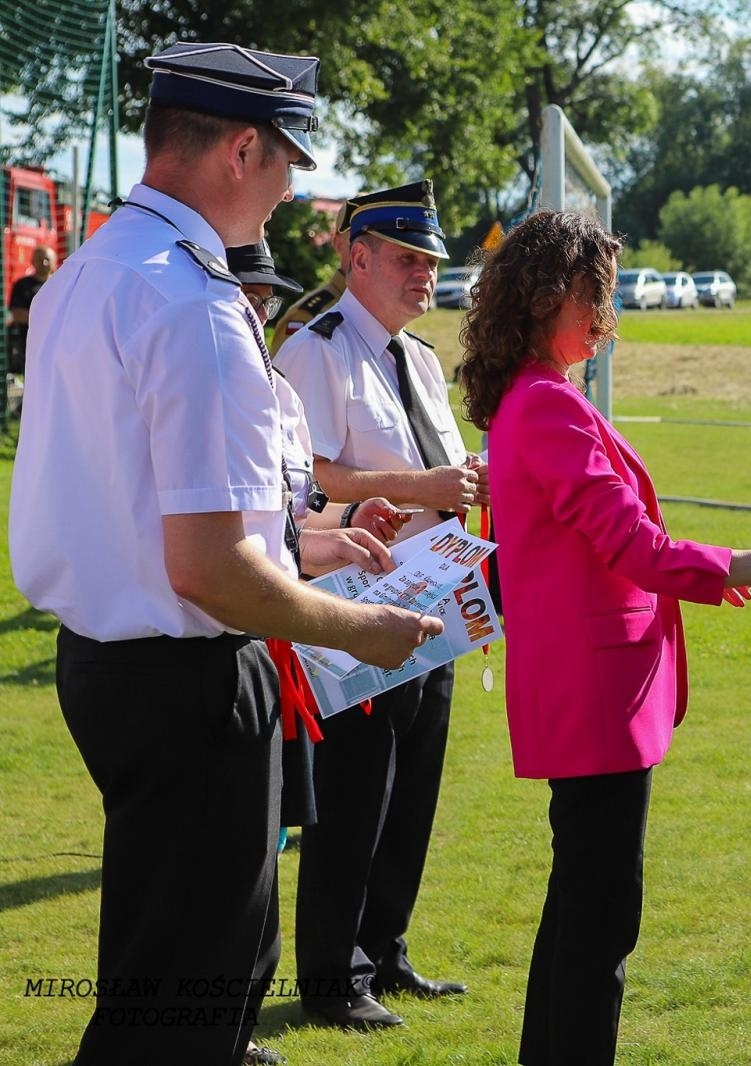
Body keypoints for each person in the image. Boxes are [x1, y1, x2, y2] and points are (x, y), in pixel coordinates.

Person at [7, 42, 441, 1066]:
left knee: (172, 982)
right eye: (289, 161)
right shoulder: (193, 305)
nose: (292, 193)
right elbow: (209, 569)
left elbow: (157, 517)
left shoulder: (90, 273)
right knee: (183, 1010)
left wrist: (312, 542)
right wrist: (364, 630)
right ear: (242, 149)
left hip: (111, 662)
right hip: (191, 677)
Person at [454, 210, 751, 1065]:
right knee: (600, 926)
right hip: (593, 697)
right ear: (551, 298)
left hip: (593, 689)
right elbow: (637, 548)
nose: (607, 321)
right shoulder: (547, 408)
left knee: (581, 912)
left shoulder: (538, 401)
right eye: (596, 298)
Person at [276, 179, 479, 1030]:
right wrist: (422, 484)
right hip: (357, 596)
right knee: (357, 792)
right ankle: (331, 976)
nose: (424, 275)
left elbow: (449, 471)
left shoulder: (422, 358)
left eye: (431, 261)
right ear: (356, 257)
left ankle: (384, 949)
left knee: (413, 788)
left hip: (435, 591)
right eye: (407, 258)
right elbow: (308, 478)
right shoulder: (315, 350)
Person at [271, 197, 354, 353]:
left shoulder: (394, 310)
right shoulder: (307, 315)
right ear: (337, 243)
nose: (370, 251)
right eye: (357, 239)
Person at [5, 243, 55, 378]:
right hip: (30, 346)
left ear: (54, 261)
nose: (44, 263)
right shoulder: (22, 285)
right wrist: (47, 322)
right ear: (32, 261)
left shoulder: (59, 284)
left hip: (57, 346)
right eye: (40, 259)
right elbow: (17, 314)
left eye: (47, 259)